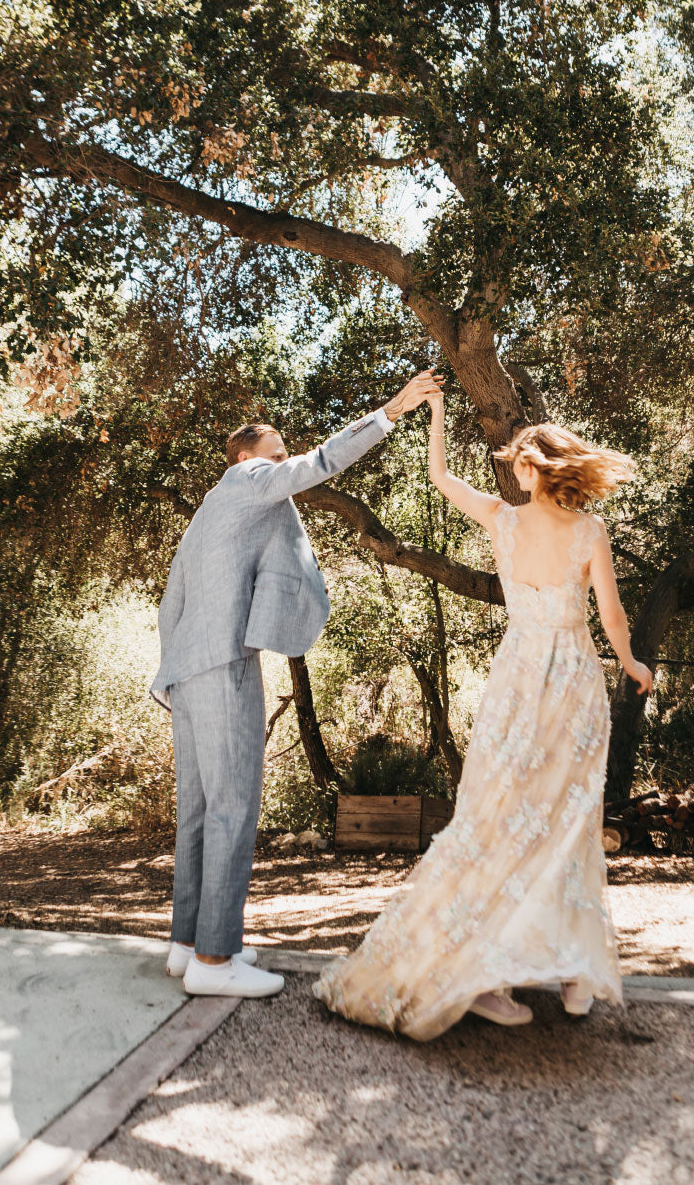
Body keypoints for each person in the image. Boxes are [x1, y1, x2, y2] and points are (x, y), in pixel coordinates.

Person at [314, 386, 652, 1039]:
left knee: (497, 820)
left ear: (534, 469)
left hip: (519, 681)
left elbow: (440, 476)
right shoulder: (590, 531)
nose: (513, 471)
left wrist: (437, 414)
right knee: (569, 819)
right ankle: (573, 971)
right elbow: (611, 617)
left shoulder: (503, 518)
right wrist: (632, 664)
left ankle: (496, 978)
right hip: (575, 686)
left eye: (518, 462)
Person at [152, 369, 441, 1001]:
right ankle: (216, 958)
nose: (285, 464)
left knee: (199, 811)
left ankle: (187, 943)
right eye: (275, 453)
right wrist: (392, 410)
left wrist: (169, 674)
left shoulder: (205, 517)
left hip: (185, 672)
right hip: (224, 664)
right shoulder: (249, 481)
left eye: (283, 455)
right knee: (235, 807)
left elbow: (170, 598)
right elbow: (321, 462)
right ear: (245, 458)